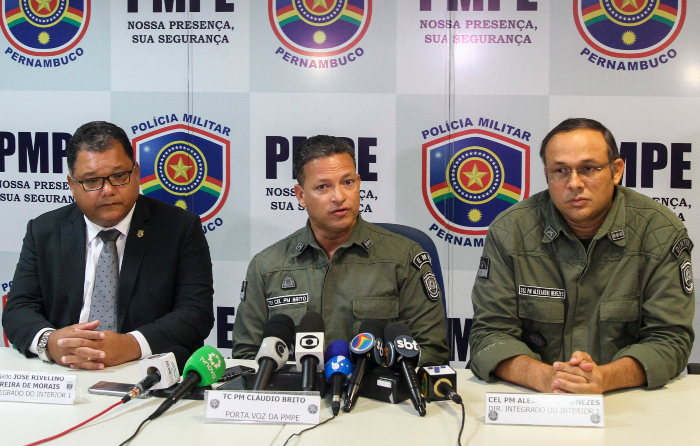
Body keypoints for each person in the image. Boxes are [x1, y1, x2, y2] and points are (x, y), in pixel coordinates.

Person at [469, 118, 694, 393]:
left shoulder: (660, 231)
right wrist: (546, 378)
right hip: (532, 396)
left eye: (588, 168)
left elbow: (670, 339)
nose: (574, 183)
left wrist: (603, 379)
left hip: (623, 398)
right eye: (560, 171)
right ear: (547, 176)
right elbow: (489, 334)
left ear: (616, 170)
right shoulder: (510, 231)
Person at [2, 121, 214, 370]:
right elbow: (18, 309)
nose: (108, 190)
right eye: (92, 181)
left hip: (145, 371)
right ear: (72, 184)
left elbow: (196, 313)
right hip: (65, 372)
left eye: (119, 176)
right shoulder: (44, 230)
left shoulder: (180, 228)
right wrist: (51, 342)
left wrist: (131, 345)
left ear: (135, 172)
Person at [232, 135, 449, 365]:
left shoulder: (404, 257)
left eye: (347, 183)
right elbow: (246, 356)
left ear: (358, 183)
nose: (339, 197)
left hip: (376, 396)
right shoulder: (267, 266)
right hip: (297, 396)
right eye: (323, 186)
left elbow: (431, 350)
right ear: (301, 195)